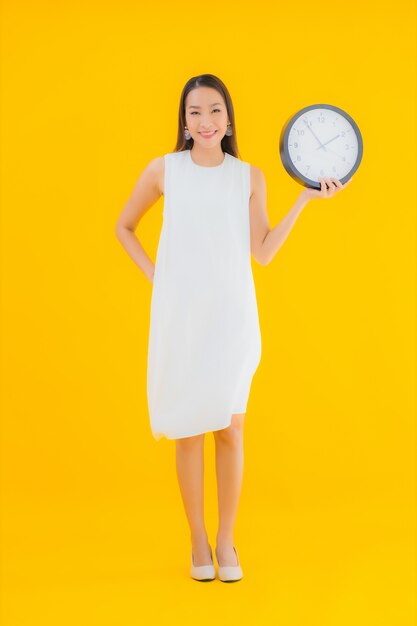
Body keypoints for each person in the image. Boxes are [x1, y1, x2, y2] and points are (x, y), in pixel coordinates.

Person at [115, 74, 353, 582]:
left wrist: (305, 201)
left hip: (231, 315)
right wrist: (158, 278)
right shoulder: (164, 171)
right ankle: (197, 539)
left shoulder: (250, 177)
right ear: (184, 120)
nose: (206, 121)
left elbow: (262, 252)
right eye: (196, 112)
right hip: (180, 317)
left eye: (215, 111)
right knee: (187, 430)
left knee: (230, 427)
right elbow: (124, 226)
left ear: (229, 119)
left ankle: (226, 541)